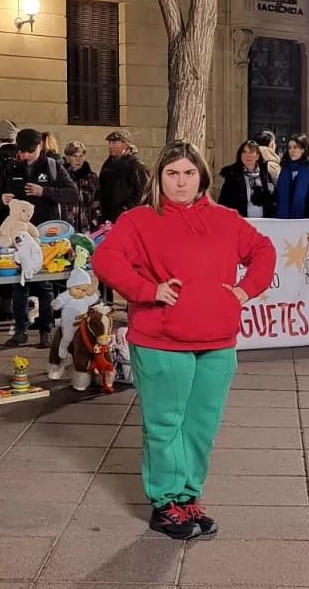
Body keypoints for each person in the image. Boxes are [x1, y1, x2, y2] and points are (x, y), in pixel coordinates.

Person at [93, 140, 276, 539]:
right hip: (161, 340)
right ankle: (165, 503)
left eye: (189, 173)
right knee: (165, 425)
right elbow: (105, 259)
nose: (181, 182)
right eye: (172, 173)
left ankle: (188, 497)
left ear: (201, 176)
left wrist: (244, 291)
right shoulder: (139, 220)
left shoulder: (225, 219)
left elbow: (263, 250)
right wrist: (147, 290)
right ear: (159, 178)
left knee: (201, 426)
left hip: (217, 340)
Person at [0, 128, 80, 346]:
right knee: (19, 284)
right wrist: (2, 199)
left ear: (40, 146)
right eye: (21, 151)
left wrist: (43, 191)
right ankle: (21, 330)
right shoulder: (11, 166)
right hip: (19, 235)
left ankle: (45, 329)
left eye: (29, 151)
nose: (24, 155)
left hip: (44, 234)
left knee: (44, 284)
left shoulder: (53, 166)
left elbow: (73, 194)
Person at [98, 129, 147, 230]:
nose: (110, 146)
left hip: (128, 219)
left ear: (125, 144)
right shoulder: (108, 165)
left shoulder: (137, 166)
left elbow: (144, 193)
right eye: (109, 143)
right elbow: (101, 187)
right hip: (107, 219)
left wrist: (127, 209)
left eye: (114, 142)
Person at [275, 134, 309, 219]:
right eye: (289, 148)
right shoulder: (285, 170)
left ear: (303, 150)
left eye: (295, 147)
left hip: (307, 220)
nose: (291, 150)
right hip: (284, 220)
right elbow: (278, 196)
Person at [217, 140, 276, 218]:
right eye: (244, 152)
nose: (247, 155)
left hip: (264, 221)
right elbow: (224, 201)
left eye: (251, 152)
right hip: (240, 220)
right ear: (240, 155)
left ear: (257, 156)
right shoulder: (232, 175)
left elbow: (272, 200)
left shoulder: (266, 174)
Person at [61, 141, 100, 232]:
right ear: (68, 157)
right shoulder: (62, 177)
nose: (78, 159)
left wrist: (95, 221)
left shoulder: (92, 178)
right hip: (67, 227)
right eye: (74, 156)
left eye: (81, 156)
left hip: (87, 227)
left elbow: (97, 201)